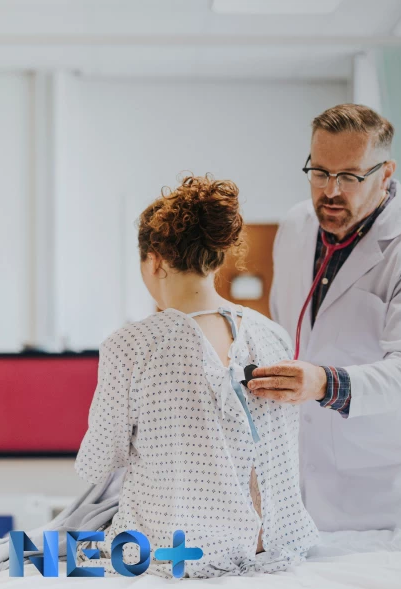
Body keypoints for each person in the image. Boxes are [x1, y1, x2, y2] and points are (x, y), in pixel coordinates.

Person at [74, 174, 319, 579]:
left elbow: (98, 462)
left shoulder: (131, 345)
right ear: (216, 259)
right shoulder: (271, 335)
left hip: (181, 552)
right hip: (275, 546)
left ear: (154, 260)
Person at [247, 104, 401, 532]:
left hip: (382, 487)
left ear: (386, 174)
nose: (331, 191)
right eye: (320, 172)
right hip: (300, 472)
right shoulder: (295, 227)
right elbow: (283, 330)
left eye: (350, 176)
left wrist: (324, 383)